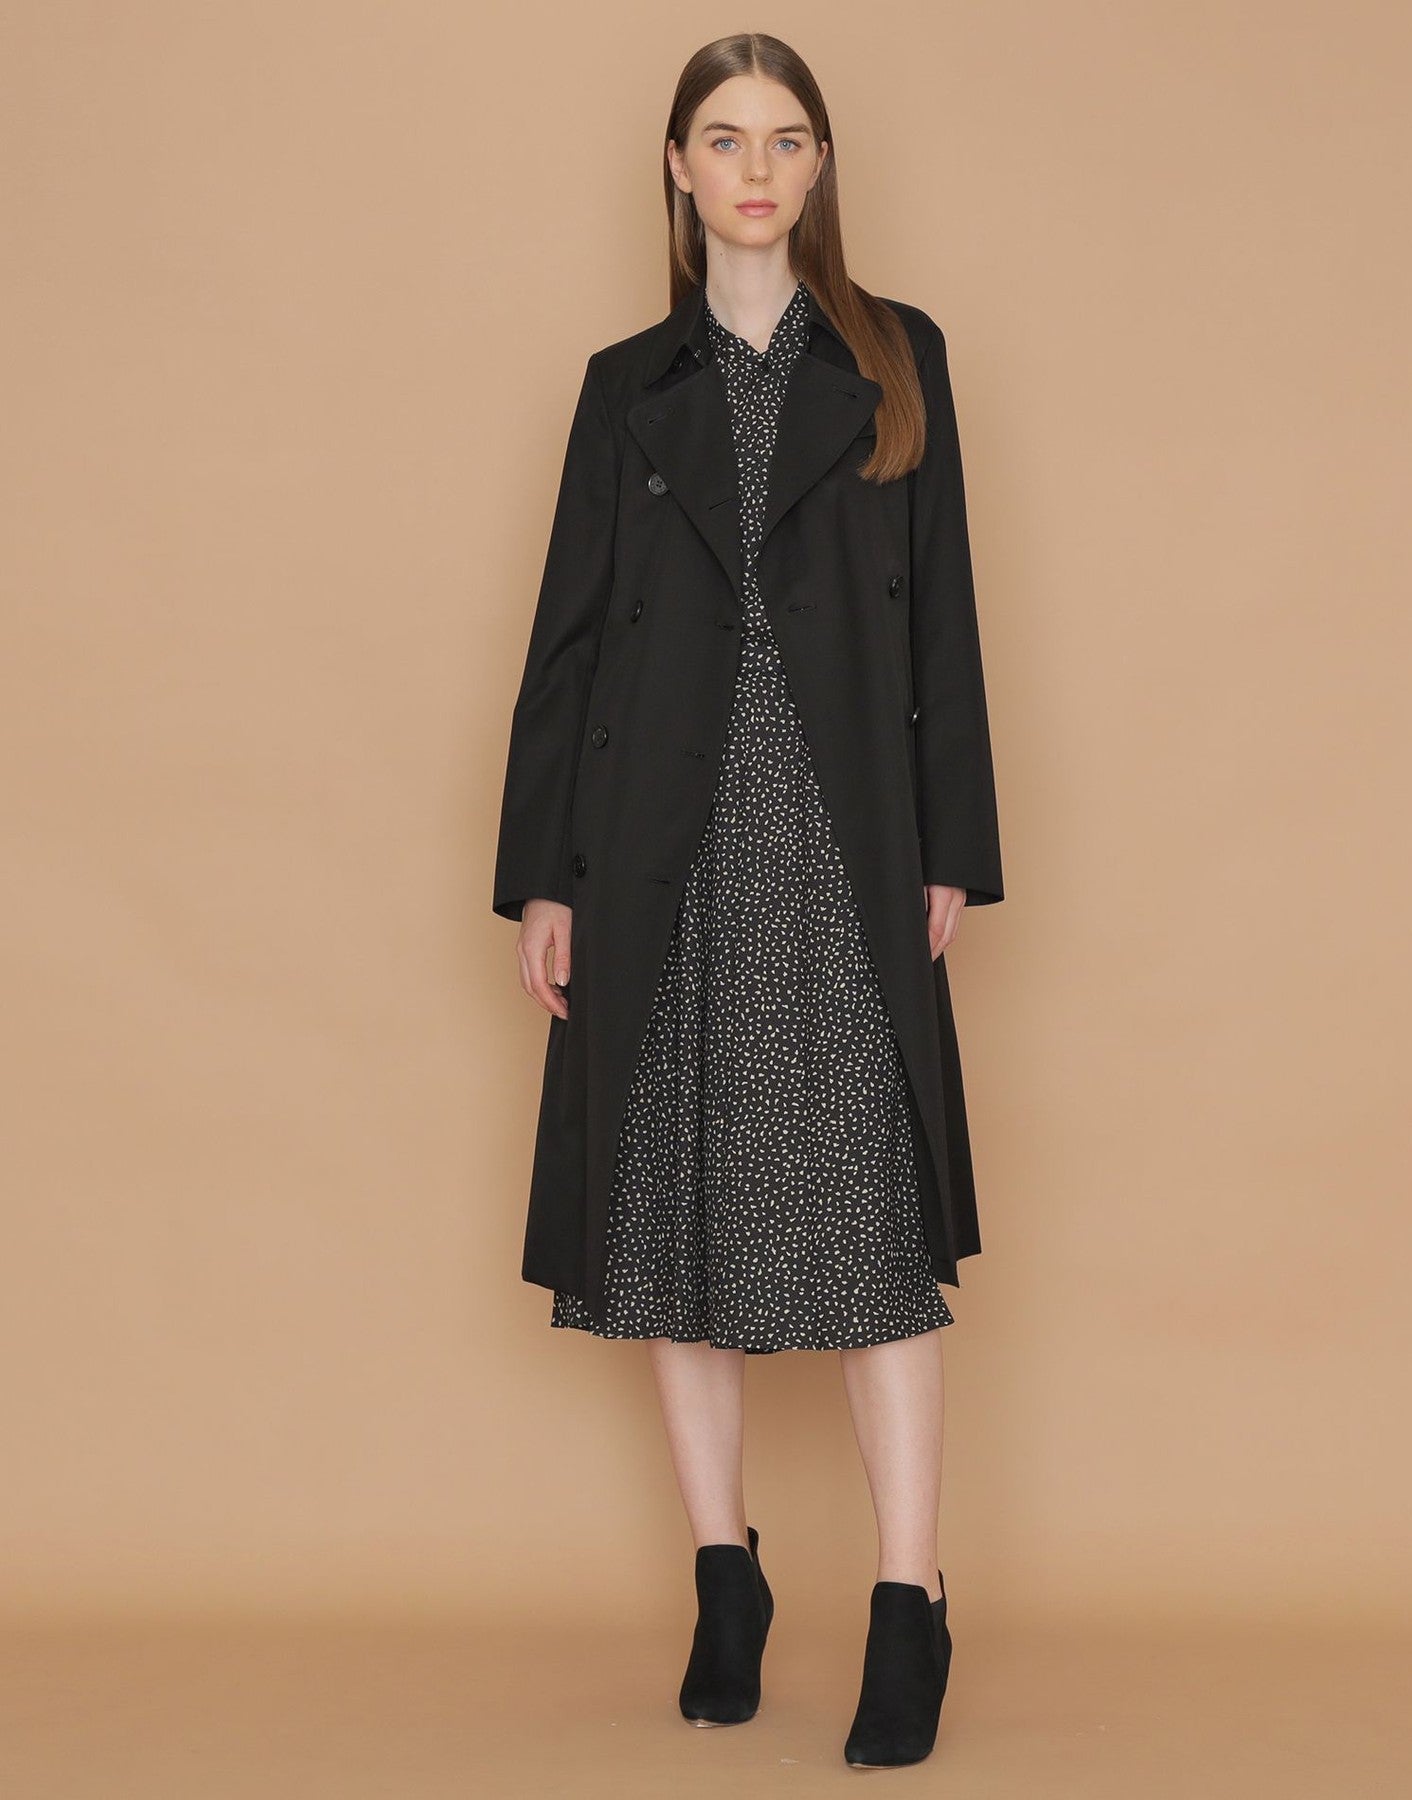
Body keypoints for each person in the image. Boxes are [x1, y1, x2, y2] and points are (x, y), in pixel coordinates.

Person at [492, 32, 1004, 1768]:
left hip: (844, 832)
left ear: (821, 163)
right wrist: (544, 881)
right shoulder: (623, 385)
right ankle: (727, 1577)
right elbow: (567, 643)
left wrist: (949, 843)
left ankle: (910, 1601)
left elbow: (946, 615)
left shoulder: (898, 359)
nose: (758, 169)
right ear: (678, 166)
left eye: (787, 139)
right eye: (726, 139)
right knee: (667, 1211)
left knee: (873, 1230)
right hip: (658, 836)